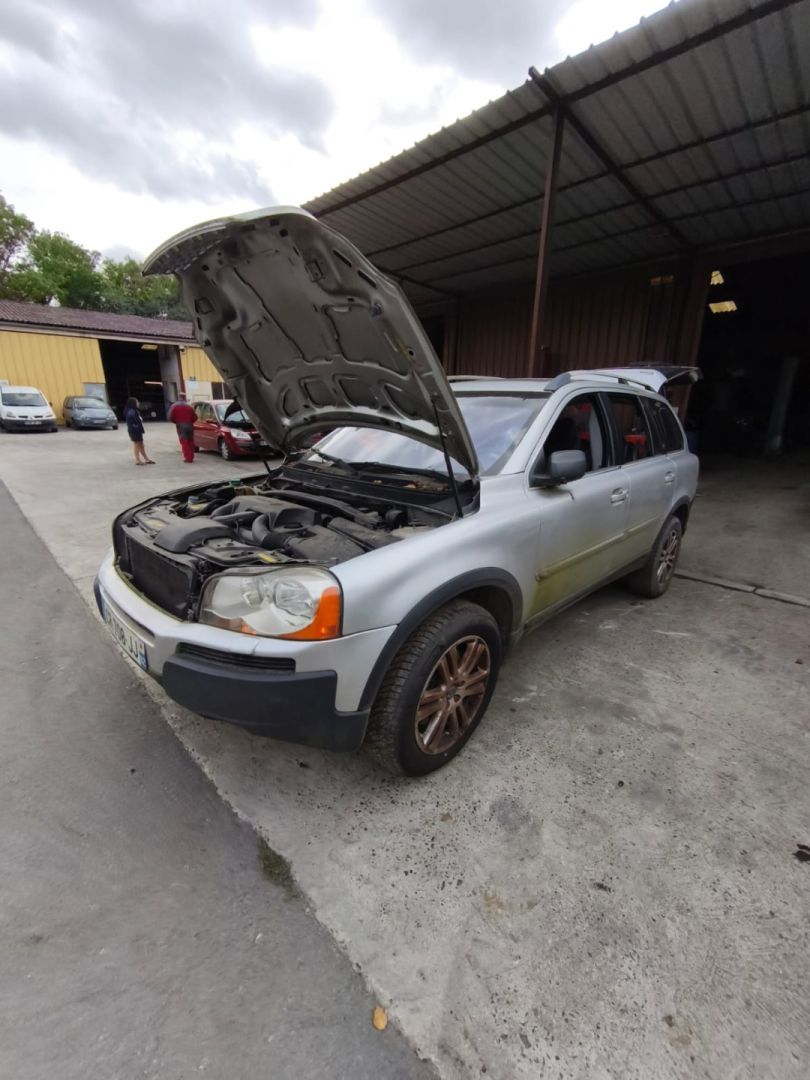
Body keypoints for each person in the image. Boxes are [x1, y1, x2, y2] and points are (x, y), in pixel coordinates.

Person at [167, 392, 197, 463]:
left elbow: (169, 417)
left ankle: (188, 458)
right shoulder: (189, 406)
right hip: (190, 425)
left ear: (179, 397)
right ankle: (191, 456)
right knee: (190, 440)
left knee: (184, 441)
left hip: (180, 425)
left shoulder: (174, 406)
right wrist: (190, 421)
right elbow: (195, 417)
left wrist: (176, 421)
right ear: (185, 397)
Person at [123, 397, 154, 465]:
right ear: (133, 403)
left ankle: (146, 459)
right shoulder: (131, 411)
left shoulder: (133, 410)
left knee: (141, 444)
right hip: (134, 430)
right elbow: (133, 420)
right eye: (137, 402)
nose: (138, 403)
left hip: (136, 429)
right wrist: (136, 425)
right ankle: (137, 460)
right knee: (137, 444)